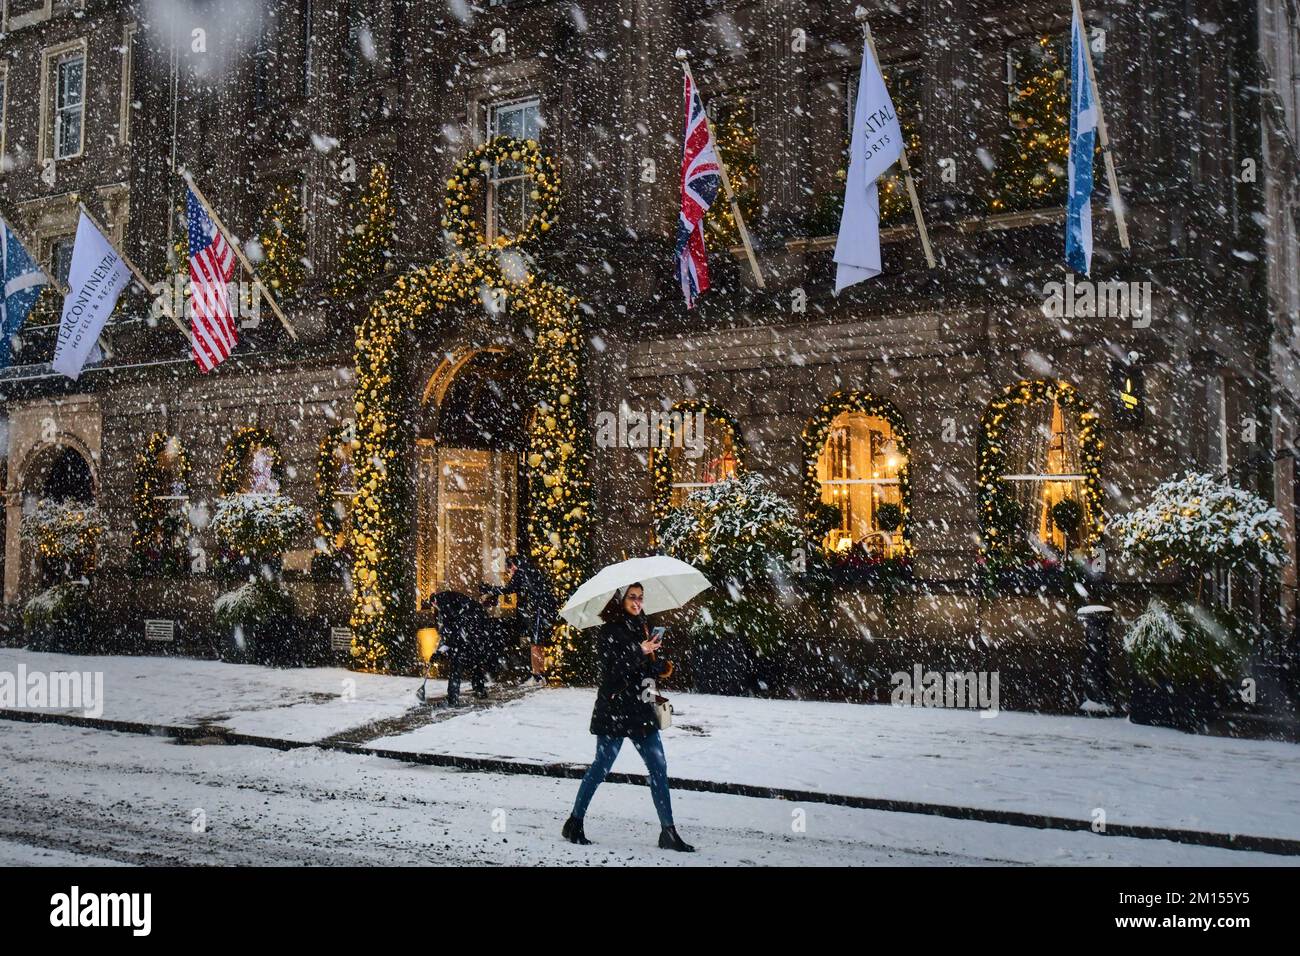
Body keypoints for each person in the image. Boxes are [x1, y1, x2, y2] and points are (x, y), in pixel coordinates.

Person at [561, 583, 695, 852]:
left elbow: (642, 670)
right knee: (601, 766)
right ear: (620, 599)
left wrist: (658, 665)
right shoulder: (610, 630)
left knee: (659, 767)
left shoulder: (642, 626)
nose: (637, 602)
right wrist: (639, 651)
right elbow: (612, 672)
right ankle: (575, 821)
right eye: (632, 597)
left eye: (640, 598)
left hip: (642, 709)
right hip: (615, 710)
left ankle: (668, 832)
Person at [480, 553, 557, 684]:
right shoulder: (531, 570)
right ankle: (540, 674)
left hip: (539, 609)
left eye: (509, 568)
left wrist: (489, 589)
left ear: (513, 565)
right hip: (544, 608)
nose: (510, 572)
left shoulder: (521, 571)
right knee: (538, 642)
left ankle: (537, 675)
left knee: (535, 643)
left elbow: (509, 589)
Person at [427, 591, 489, 707]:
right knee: (473, 658)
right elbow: (450, 630)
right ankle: (480, 690)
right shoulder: (449, 598)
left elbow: (450, 632)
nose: (435, 608)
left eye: (434, 605)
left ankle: (453, 698)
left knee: (456, 662)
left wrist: (440, 651)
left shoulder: (444, 604)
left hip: (469, 628)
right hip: (477, 627)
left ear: (434, 602)